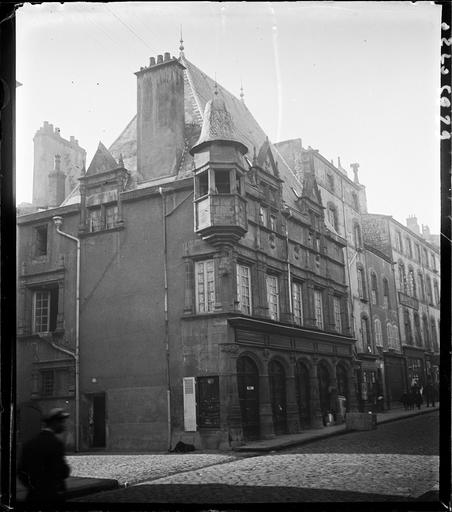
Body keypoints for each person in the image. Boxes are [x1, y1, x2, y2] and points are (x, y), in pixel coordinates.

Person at [18, 408, 71, 505]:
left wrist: (33, 487)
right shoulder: (55, 443)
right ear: (54, 422)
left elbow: (21, 471)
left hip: (33, 496)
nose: (63, 425)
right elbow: (62, 471)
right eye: (62, 422)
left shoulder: (29, 443)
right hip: (53, 495)